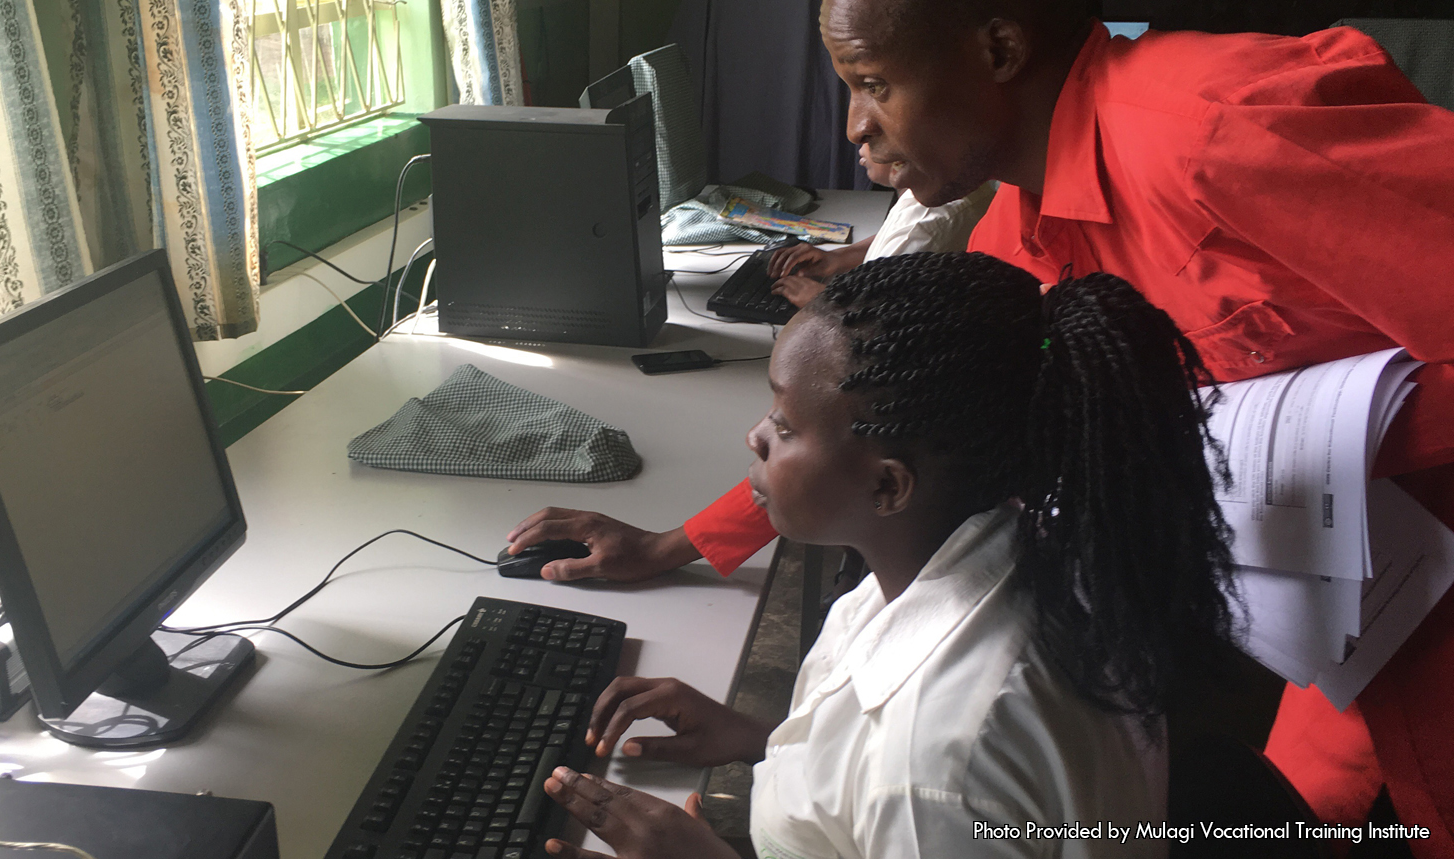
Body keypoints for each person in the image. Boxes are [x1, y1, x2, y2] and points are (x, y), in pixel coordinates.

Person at [509, 1, 1454, 848]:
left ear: (999, 45)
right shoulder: (1020, 222)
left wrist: (1299, 444)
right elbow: (864, 426)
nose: (854, 126)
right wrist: (677, 544)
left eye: (874, 83)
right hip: (1339, 624)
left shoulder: (1213, 129)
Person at [538, 252, 1235, 859]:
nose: (755, 436)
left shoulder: (934, 770)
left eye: (783, 424)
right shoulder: (1000, 556)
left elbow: (920, 782)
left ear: (887, 484)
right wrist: (767, 739)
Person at [763, 143, 998, 308]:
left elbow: (871, 320)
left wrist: (823, 300)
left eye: (869, 139)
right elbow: (894, 235)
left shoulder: (923, 228)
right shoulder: (945, 186)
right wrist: (838, 258)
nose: (860, 147)